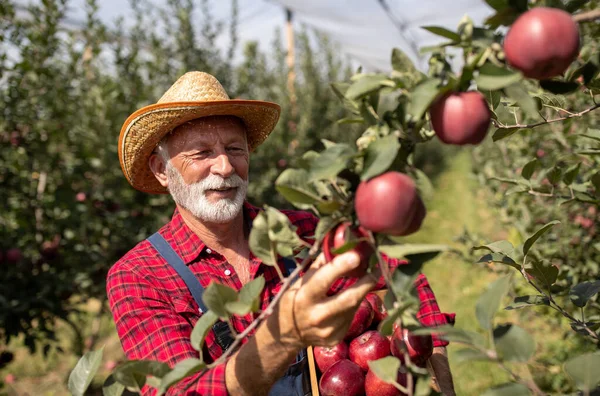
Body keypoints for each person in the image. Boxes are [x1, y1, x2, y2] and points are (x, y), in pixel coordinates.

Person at [107, 71, 456, 395]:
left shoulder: (299, 234)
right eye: (202, 153)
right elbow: (180, 391)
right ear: (161, 170)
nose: (226, 166)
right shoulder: (139, 276)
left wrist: (436, 362)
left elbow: (402, 275)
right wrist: (285, 335)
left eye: (235, 149)